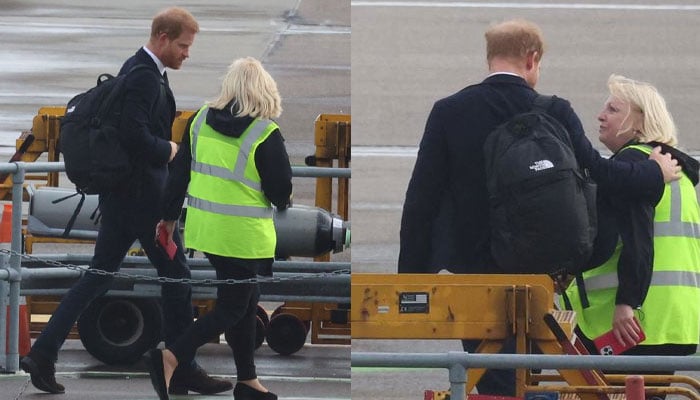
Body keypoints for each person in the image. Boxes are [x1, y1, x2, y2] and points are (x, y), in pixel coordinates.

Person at [397, 19, 681, 395]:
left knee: (493, 380)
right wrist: (653, 172)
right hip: (537, 277)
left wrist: (410, 281)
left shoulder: (449, 111)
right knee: (534, 378)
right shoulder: (553, 110)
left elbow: (421, 201)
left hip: (475, 278)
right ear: (532, 60)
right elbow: (600, 175)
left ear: (489, 60)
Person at [20, 7, 231, 396]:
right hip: (144, 201)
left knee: (100, 275)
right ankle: (183, 367)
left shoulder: (136, 69)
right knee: (177, 278)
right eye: (184, 46)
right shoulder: (145, 79)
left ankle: (43, 353)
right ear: (163, 38)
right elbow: (133, 136)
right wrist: (170, 149)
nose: (187, 54)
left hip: (121, 197)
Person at [144, 57, 292, 400]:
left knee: (245, 301)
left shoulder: (198, 121)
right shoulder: (264, 131)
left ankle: (248, 381)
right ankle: (170, 358)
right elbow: (280, 190)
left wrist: (167, 218)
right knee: (233, 307)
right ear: (264, 90)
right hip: (243, 236)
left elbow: (178, 175)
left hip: (207, 232)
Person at [564, 74, 700, 387]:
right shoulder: (680, 177)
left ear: (639, 123)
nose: (600, 115)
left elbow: (638, 238)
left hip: (632, 322)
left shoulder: (635, 168)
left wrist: (628, 302)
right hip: (675, 319)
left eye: (613, 109)